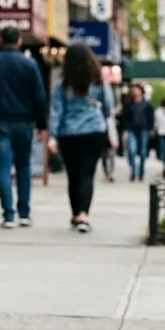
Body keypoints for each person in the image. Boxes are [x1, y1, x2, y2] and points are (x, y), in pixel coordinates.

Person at [0, 26, 48, 228]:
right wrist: (42, 124)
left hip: (0, 121)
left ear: (0, 40)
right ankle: (24, 213)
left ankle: (8, 214)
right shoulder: (29, 65)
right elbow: (39, 96)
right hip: (24, 122)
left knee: (3, 168)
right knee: (24, 166)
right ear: (19, 41)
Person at [48, 45, 113, 232]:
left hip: (69, 133)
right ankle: (83, 214)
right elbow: (108, 106)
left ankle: (76, 213)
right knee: (87, 174)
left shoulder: (63, 84)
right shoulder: (99, 81)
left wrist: (52, 136)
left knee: (73, 175)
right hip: (94, 131)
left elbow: (56, 111)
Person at [120, 84, 154, 181]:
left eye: (136, 90)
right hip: (131, 130)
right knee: (132, 151)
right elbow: (124, 118)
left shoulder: (147, 104)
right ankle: (133, 172)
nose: (134, 92)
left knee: (143, 152)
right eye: (133, 90)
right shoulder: (128, 104)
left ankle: (141, 172)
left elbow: (150, 117)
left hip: (143, 129)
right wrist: (125, 130)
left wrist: (151, 128)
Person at [100, 90, 119, 183]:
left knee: (111, 156)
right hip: (102, 138)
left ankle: (111, 173)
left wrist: (114, 139)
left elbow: (113, 128)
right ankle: (107, 173)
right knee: (104, 157)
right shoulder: (98, 114)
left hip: (110, 137)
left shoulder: (110, 116)